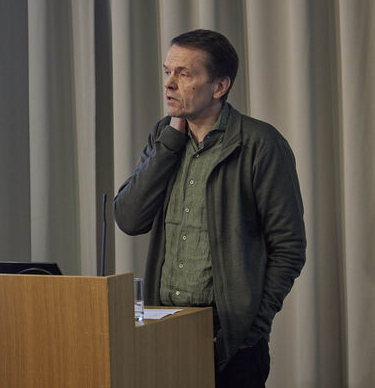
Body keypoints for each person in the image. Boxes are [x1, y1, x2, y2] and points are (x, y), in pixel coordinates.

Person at [113, 29, 306, 387]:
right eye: (167, 71)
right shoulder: (164, 136)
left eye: (184, 73)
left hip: (229, 336)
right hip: (164, 326)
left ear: (219, 86)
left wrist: (251, 327)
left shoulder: (260, 144)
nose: (169, 83)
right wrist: (170, 141)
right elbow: (128, 218)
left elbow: (289, 247)